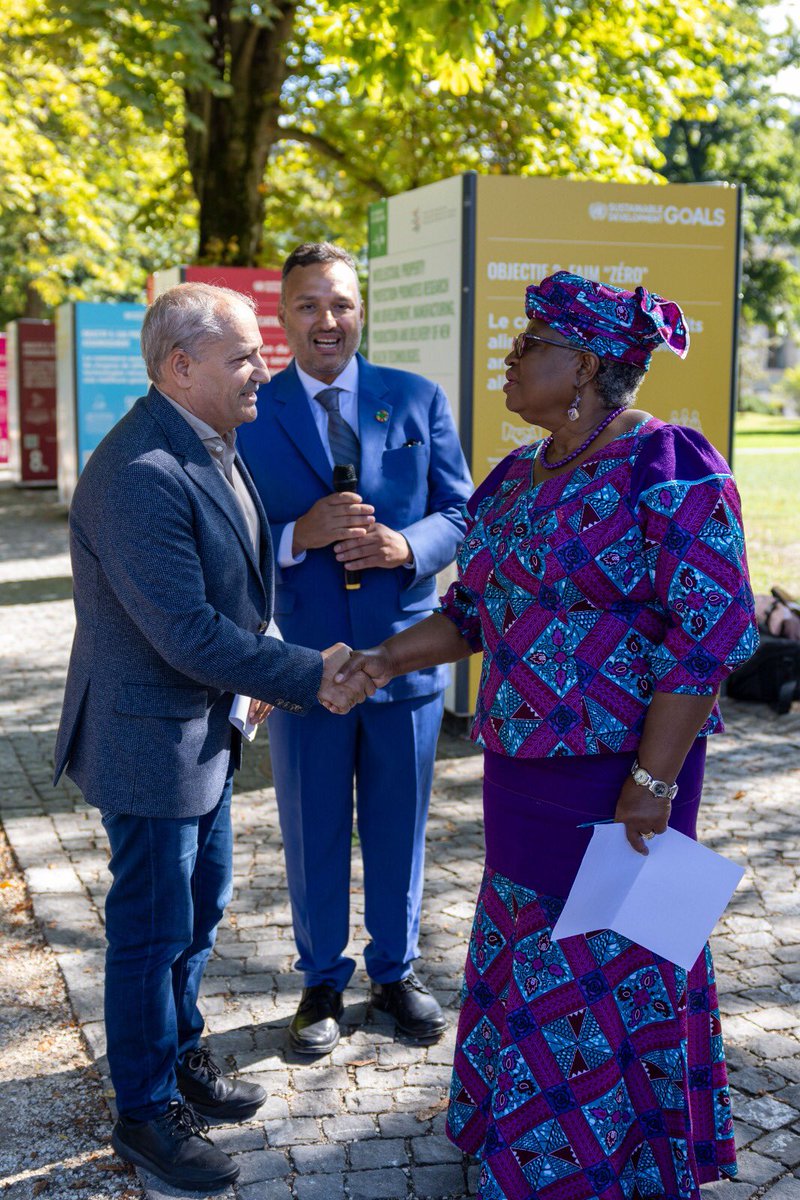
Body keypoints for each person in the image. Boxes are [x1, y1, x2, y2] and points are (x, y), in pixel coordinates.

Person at [339, 272, 758, 1200]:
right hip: (523, 772)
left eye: (532, 343)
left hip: (626, 776)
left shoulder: (669, 464)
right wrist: (381, 660)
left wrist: (653, 782)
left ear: (588, 368)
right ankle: (525, 1145)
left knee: (621, 955)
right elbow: (474, 615)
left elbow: (713, 632)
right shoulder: (515, 477)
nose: (512, 354)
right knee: (529, 948)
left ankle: (615, 1162)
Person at [53, 283, 372, 1194]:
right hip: (150, 742)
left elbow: (235, 585)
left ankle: (179, 1052)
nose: (264, 369)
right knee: (152, 930)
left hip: (203, 730)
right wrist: (305, 673)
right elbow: (187, 631)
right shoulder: (140, 471)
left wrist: (258, 663)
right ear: (180, 366)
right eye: (244, 357)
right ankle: (145, 1114)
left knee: (199, 912)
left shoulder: (209, 437)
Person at [236, 242, 473, 1054]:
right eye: (307, 305)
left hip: (404, 655)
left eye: (339, 304)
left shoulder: (416, 398)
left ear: (361, 310)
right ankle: (321, 982)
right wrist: (295, 535)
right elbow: (224, 533)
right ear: (282, 316)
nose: (326, 321)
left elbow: (461, 512)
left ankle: (396, 972)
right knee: (313, 827)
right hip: (303, 664)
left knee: (400, 823)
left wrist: (407, 547)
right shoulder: (251, 409)